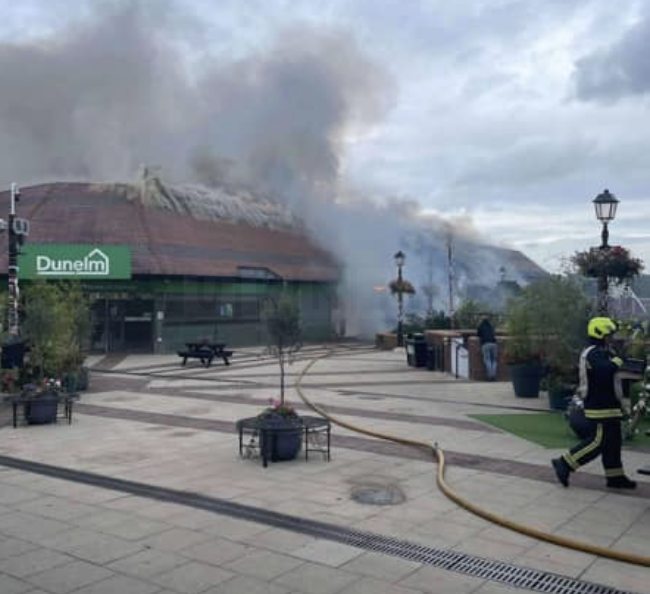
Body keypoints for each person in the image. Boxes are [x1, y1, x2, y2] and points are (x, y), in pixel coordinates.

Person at [552, 317, 636, 489]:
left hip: (610, 405)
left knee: (613, 442)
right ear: (599, 334)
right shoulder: (593, 353)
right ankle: (565, 463)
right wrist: (619, 360)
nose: (612, 338)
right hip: (599, 406)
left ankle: (615, 476)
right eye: (609, 334)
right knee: (599, 441)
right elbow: (604, 371)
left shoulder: (605, 351)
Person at [477, 314, 498, 381]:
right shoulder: (491, 326)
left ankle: (489, 376)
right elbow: (493, 333)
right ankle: (493, 376)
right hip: (494, 344)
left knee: (488, 360)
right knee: (494, 360)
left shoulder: (480, 326)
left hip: (486, 344)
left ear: (482, 320)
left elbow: (478, 334)